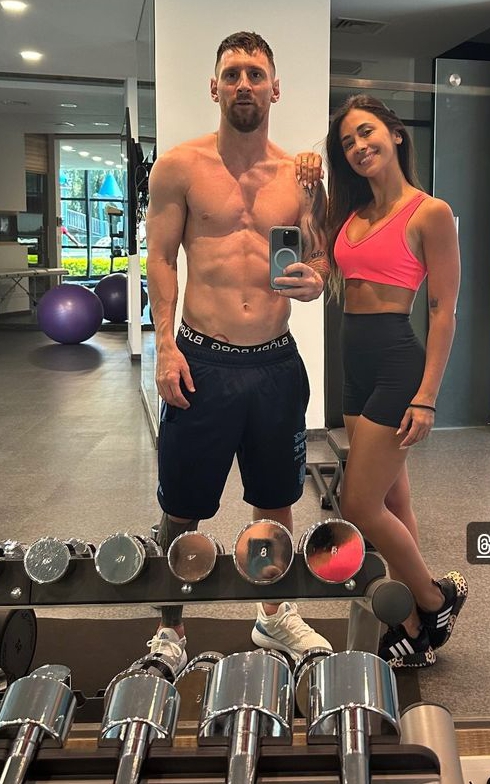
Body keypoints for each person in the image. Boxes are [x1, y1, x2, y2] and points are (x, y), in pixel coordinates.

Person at [145, 31, 332, 674]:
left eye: (256, 73)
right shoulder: (178, 166)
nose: (244, 84)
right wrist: (165, 347)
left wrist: (314, 277)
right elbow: (162, 259)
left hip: (275, 363)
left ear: (275, 87)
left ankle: (273, 616)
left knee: (274, 495)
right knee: (184, 503)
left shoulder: (300, 175)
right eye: (233, 73)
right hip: (203, 359)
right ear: (215, 86)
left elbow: (321, 256)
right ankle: (171, 624)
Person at [324, 94, 467, 668]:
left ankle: (435, 601)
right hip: (351, 359)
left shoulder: (429, 212)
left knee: (358, 503)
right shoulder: (352, 213)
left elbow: (442, 311)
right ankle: (410, 619)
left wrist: (427, 396)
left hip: (394, 361)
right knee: (389, 495)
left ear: (396, 135)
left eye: (367, 133)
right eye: (348, 142)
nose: (359, 147)